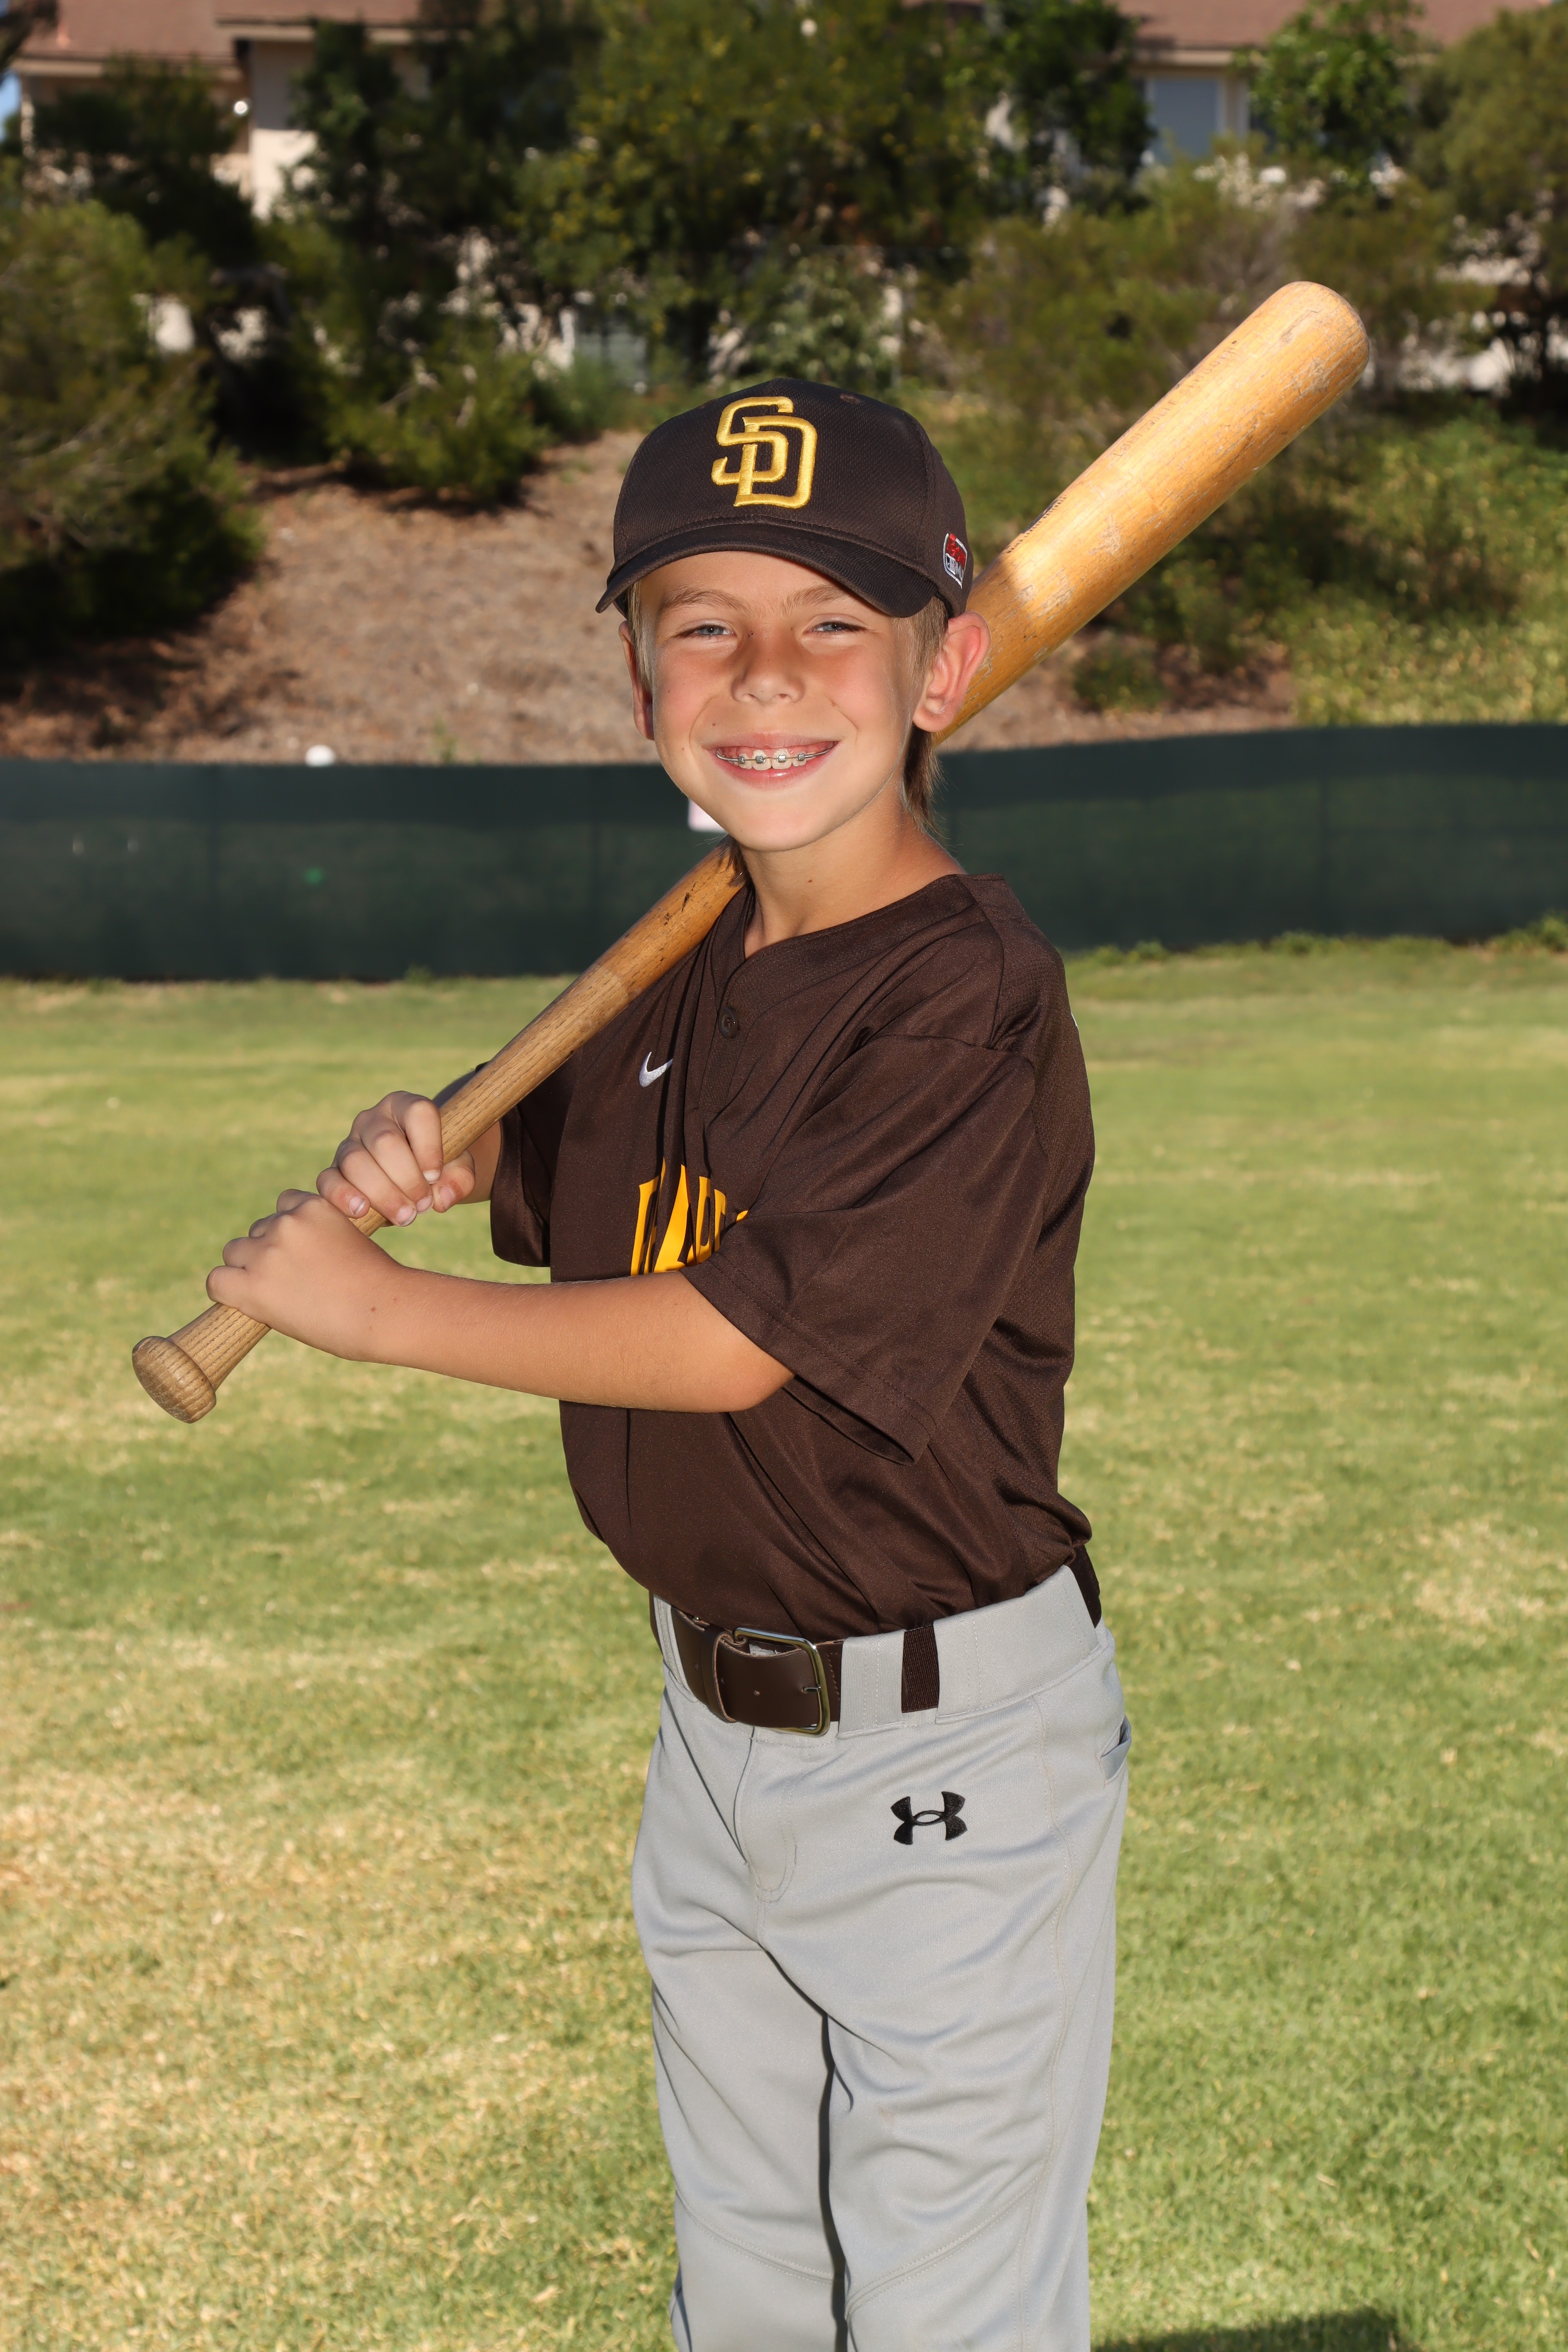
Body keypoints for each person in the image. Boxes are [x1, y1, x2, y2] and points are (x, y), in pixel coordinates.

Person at [208, 380, 1131, 2352]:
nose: (764, 674)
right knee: (755, 2288)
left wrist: (372, 1312)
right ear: (640, 686)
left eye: (833, 623)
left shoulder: (965, 993)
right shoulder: (684, 969)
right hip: (712, 1737)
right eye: (701, 624)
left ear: (943, 670)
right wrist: (441, 1152)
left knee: (944, 2308)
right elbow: (566, 1184)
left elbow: (731, 1340)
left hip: (941, 1754)